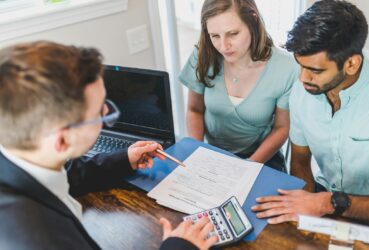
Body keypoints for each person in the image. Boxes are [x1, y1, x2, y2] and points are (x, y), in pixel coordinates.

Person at [0, 41, 217, 250]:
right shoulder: (38, 238)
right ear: (62, 141)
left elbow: (71, 173)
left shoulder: (25, 155)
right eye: (99, 114)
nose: (107, 115)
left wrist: (124, 159)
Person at [251, 1, 369, 249]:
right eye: (300, 65)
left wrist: (328, 203)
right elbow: (300, 160)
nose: (303, 78)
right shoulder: (303, 90)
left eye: (315, 70)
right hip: (329, 201)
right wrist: (305, 216)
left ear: (352, 64)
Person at [179, 0, 299, 171]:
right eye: (215, 36)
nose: (223, 46)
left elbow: (281, 128)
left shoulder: (287, 68)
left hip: (261, 157)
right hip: (210, 153)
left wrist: (248, 166)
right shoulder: (202, 55)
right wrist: (198, 151)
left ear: (253, 21)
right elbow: (194, 110)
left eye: (233, 33)